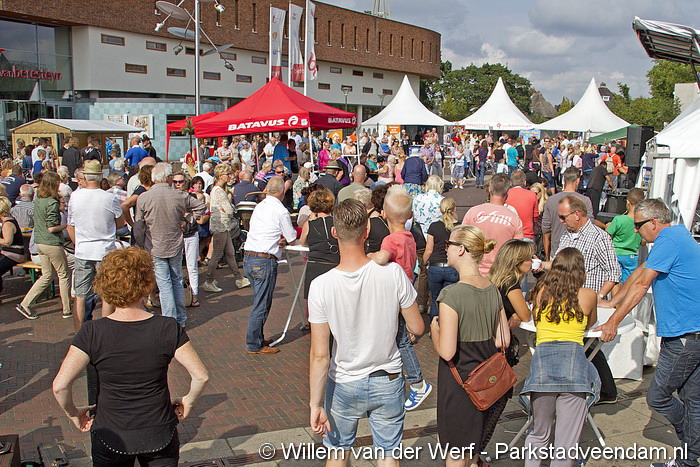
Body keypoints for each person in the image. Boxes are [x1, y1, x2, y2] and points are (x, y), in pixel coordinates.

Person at [52, 247, 209, 467]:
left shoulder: (92, 332)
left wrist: (74, 413)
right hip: (158, 431)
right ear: (147, 283)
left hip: (111, 433)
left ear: (105, 285)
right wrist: (188, 401)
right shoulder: (167, 327)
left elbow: (60, 386)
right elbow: (201, 376)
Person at [308, 199, 424, 465]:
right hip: (388, 378)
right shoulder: (393, 274)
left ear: (334, 232)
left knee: (338, 452)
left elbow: (320, 355)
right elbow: (417, 326)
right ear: (367, 231)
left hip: (344, 381)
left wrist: (315, 404)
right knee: (388, 453)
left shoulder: (321, 286)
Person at [594, 199, 700, 467]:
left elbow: (642, 285)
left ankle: (693, 441)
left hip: (685, 336)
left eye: (638, 225)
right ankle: (690, 459)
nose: (635, 230)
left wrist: (612, 322)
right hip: (692, 333)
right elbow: (641, 272)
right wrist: (612, 302)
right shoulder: (675, 236)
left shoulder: (668, 240)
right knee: (692, 400)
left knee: (658, 397)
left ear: (654, 222)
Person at [430, 225, 509, 467]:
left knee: (455, 451)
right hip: (486, 383)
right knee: (472, 449)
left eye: (448, 244)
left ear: (461, 249)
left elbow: (447, 351)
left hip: (459, 383)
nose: (446, 249)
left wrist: (435, 330)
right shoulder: (492, 288)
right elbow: (503, 339)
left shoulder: (451, 295)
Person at [522, 247, 600, 467]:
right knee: (566, 442)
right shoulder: (588, 295)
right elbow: (591, 323)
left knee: (539, 433)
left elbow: (536, 320)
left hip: (543, 368)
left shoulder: (540, 292)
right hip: (574, 369)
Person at [541, 195, 620, 404]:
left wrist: (599, 297)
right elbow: (559, 265)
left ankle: (604, 391)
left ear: (577, 214)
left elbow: (614, 272)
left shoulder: (599, 237)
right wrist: (542, 265)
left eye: (563, 217)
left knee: (588, 345)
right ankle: (601, 390)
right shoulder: (567, 235)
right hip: (566, 301)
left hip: (587, 303)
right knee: (585, 346)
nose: (560, 221)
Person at [369, 185, 432, 411]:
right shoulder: (409, 237)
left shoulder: (391, 240)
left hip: (394, 295)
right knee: (398, 337)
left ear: (383, 213)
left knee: (401, 340)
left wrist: (369, 255)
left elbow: (381, 258)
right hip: (407, 290)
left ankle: (417, 382)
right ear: (411, 214)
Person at [134, 163, 206, 326]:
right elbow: (201, 207)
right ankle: (180, 318)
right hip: (174, 244)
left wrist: (141, 244)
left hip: (155, 245)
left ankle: (170, 320)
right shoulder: (179, 195)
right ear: (168, 178)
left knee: (165, 284)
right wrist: (188, 220)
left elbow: (138, 225)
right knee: (176, 281)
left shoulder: (144, 198)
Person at [67, 160, 124, 331]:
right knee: (107, 294)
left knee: (80, 295)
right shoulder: (109, 198)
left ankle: (79, 333)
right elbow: (120, 223)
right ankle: (106, 331)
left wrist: (78, 244)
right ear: (100, 177)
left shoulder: (75, 197)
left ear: (85, 177)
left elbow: (70, 226)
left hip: (83, 249)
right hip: (104, 249)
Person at [243, 176, 297, 354]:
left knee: (260, 300)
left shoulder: (260, 206)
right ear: (282, 192)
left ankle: (257, 338)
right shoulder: (280, 210)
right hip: (264, 260)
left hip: (249, 256)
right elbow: (291, 237)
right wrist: (285, 240)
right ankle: (254, 344)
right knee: (262, 304)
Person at [16, 172, 72, 320]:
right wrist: (67, 225)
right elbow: (52, 228)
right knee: (63, 274)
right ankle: (67, 309)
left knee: (47, 275)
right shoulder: (52, 202)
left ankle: (25, 304)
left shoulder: (38, 200)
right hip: (51, 242)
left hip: (39, 242)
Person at [462, 173, 524, 275]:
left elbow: (462, 240)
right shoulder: (514, 219)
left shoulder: (472, 212)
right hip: (501, 272)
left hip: (474, 271)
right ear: (507, 192)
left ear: (490, 189)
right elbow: (517, 251)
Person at [202, 164, 249, 293]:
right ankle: (209, 281)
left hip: (223, 225)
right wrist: (229, 206)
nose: (230, 176)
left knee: (230, 253)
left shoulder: (217, 189)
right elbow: (229, 210)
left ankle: (239, 278)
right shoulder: (219, 191)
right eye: (227, 174)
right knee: (217, 254)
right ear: (221, 175)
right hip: (220, 225)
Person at [541, 168, 594, 260]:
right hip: (579, 252)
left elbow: (546, 230)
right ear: (578, 181)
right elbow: (590, 225)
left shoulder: (551, 200)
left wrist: (547, 257)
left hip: (556, 251)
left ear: (564, 181)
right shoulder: (585, 200)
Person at [300, 188, 340, 301]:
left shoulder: (309, 224)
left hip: (315, 265)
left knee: (315, 302)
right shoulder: (338, 222)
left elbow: (303, 242)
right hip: (334, 264)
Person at [423, 197, 460, 319]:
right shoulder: (460, 227)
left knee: (435, 299)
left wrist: (423, 263)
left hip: (435, 267)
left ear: (440, 210)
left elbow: (429, 249)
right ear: (455, 209)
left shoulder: (434, 226)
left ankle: (434, 325)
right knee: (450, 301)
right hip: (452, 268)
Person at [605, 187, 644, 282]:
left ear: (628, 202)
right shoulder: (641, 222)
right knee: (628, 282)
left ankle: (615, 292)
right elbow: (643, 242)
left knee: (614, 280)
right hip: (631, 256)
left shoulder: (619, 219)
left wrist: (607, 227)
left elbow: (607, 236)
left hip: (616, 253)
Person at [0, 197, 25, 304]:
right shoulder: (8, 220)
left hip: (14, 254)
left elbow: (7, 241)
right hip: (9, 253)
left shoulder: (8, 224)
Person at [507, 171, 539, 242]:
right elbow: (535, 217)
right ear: (525, 183)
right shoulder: (532, 195)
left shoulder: (506, 194)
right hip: (526, 234)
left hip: (509, 235)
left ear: (511, 183)